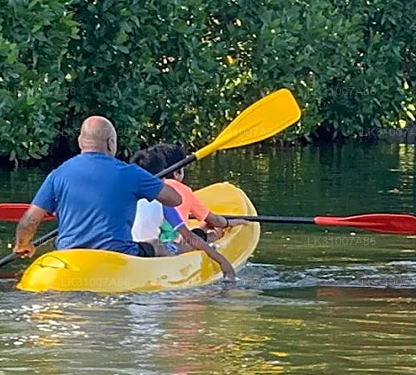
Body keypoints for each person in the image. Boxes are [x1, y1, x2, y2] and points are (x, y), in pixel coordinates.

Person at [13, 117, 182, 258]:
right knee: (156, 245)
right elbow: (175, 199)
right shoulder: (131, 173)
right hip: (116, 254)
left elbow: (31, 219)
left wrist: (23, 244)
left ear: (80, 142)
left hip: (69, 255)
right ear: (110, 143)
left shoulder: (58, 174)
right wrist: (146, 188)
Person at [129, 147, 237, 280]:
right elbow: (189, 237)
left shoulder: (123, 198)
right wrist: (221, 260)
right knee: (182, 245)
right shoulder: (163, 202)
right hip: (153, 251)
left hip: (128, 251)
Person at [150, 142, 247, 241]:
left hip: (148, 243)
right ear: (176, 173)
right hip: (173, 246)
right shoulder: (183, 191)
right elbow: (214, 220)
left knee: (201, 227)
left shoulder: (144, 186)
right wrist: (227, 222)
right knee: (213, 228)